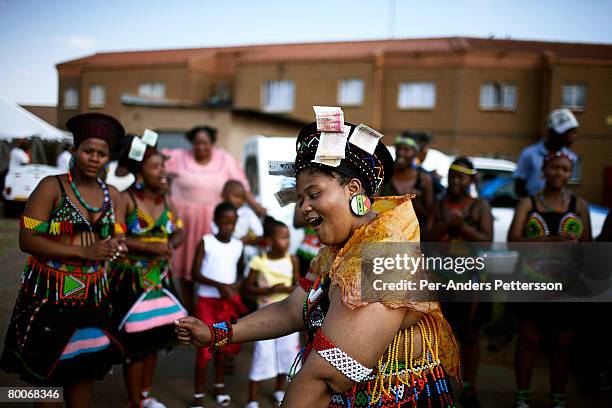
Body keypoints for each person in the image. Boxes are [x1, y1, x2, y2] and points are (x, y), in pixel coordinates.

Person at [176, 119, 460, 407]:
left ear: (353, 189)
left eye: (314, 194)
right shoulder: (336, 252)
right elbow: (291, 310)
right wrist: (216, 333)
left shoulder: (384, 257)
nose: (304, 207)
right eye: (300, 199)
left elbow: (326, 378)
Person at [0, 113, 127, 407]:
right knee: (46, 376)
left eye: (102, 153)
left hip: (93, 298)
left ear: (108, 157)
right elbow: (27, 240)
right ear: (74, 151)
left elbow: (118, 234)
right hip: (49, 296)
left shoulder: (114, 195)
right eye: (88, 150)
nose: (94, 158)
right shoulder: (51, 187)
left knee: (83, 371)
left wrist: (117, 246)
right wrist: (85, 252)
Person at [508, 151, 592, 408]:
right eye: (555, 168)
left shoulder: (579, 205)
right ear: (544, 171)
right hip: (532, 281)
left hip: (567, 284)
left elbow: (588, 245)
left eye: (566, 169)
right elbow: (513, 242)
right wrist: (550, 241)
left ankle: (558, 398)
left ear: (571, 174)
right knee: (528, 339)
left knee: (563, 343)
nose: (560, 173)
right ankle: (523, 397)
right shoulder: (528, 203)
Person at [110, 136, 187, 408]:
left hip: (159, 281)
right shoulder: (125, 198)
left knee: (154, 340)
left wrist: (171, 243)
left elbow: (178, 231)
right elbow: (117, 238)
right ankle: (134, 401)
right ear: (139, 171)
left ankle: (145, 395)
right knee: (135, 345)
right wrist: (151, 248)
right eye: (156, 166)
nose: (163, 171)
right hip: (131, 281)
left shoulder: (166, 200)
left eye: (163, 166)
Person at [163, 125, 264, 312]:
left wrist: (256, 207)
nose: (201, 147)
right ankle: (189, 309)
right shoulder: (178, 156)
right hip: (185, 220)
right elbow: (158, 167)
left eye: (205, 143)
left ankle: (212, 308)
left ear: (212, 143)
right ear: (192, 143)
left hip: (214, 219)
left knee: (211, 262)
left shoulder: (224, 159)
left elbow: (241, 186)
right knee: (187, 267)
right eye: (197, 143)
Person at [430, 157, 493, 408]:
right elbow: (427, 237)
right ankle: (441, 386)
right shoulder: (439, 205)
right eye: (452, 175)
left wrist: (462, 227)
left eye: (461, 177)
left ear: (471, 180)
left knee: (471, 336)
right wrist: (448, 224)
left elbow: (486, 242)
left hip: (471, 281)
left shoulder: (479, 206)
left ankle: (469, 388)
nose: (456, 181)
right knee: (441, 335)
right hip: (442, 279)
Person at [191, 202, 245, 408]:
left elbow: (241, 271)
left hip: (226, 304)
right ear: (215, 221)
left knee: (222, 344)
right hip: (207, 302)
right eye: (223, 222)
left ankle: (219, 384)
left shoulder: (238, 245)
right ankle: (198, 394)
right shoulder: (206, 242)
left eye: (232, 222)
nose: (228, 226)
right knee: (203, 346)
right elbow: (195, 273)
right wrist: (219, 285)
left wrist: (234, 287)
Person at [244, 218, 300, 408]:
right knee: (262, 354)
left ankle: (279, 389)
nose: (287, 242)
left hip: (288, 315)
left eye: (288, 237)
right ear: (268, 240)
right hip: (265, 317)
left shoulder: (292, 260)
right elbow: (247, 288)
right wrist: (268, 291)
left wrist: (287, 289)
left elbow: (299, 286)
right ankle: (252, 398)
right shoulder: (259, 261)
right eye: (282, 238)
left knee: (286, 354)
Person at [513, 108, 579, 198]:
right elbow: (519, 188)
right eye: (567, 132)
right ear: (551, 132)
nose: (572, 136)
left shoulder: (571, 157)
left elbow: (566, 188)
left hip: (558, 208)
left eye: (573, 132)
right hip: (532, 208)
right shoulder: (529, 154)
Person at [378, 133, 434, 236]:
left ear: (415, 153)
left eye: (406, 150)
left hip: (414, 234)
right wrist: (397, 202)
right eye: (399, 149)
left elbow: (430, 214)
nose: (401, 153)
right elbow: (374, 205)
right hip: (387, 233)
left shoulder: (424, 179)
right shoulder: (385, 174)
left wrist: (414, 202)